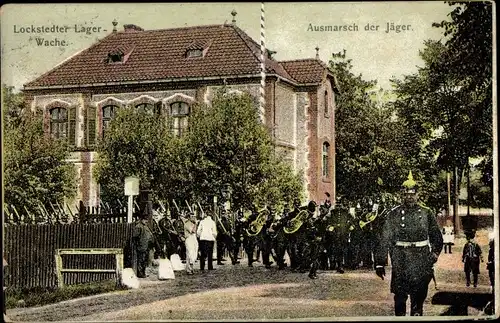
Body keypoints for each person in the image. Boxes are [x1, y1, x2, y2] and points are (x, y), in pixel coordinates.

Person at [374, 171, 443, 316]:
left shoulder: (426, 213)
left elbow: (436, 237)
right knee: (400, 297)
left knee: (418, 298)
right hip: (401, 259)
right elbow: (384, 238)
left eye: (412, 194)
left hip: (421, 259)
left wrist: (435, 254)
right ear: (402, 195)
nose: (409, 197)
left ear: (418, 195)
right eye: (406, 194)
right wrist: (380, 262)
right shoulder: (394, 213)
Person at [133, 212, 155, 278]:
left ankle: (143, 272)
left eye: (147, 220)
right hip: (141, 246)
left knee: (144, 260)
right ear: (141, 219)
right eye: (145, 220)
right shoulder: (138, 226)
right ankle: (140, 274)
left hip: (146, 246)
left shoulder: (145, 226)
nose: (146, 221)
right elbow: (135, 237)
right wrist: (138, 244)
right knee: (140, 260)